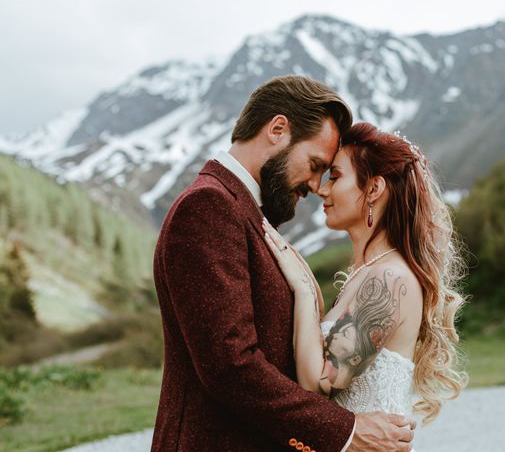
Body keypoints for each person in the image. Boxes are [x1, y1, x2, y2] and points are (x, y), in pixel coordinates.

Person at [151, 76, 416, 452]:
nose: (314, 185)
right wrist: (346, 431)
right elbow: (231, 366)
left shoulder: (242, 212)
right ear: (277, 129)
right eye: (314, 164)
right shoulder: (208, 207)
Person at [263, 122, 468, 435]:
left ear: (373, 188)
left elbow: (318, 384)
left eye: (336, 176)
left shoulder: (389, 279)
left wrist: (303, 292)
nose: (322, 189)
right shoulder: (367, 273)